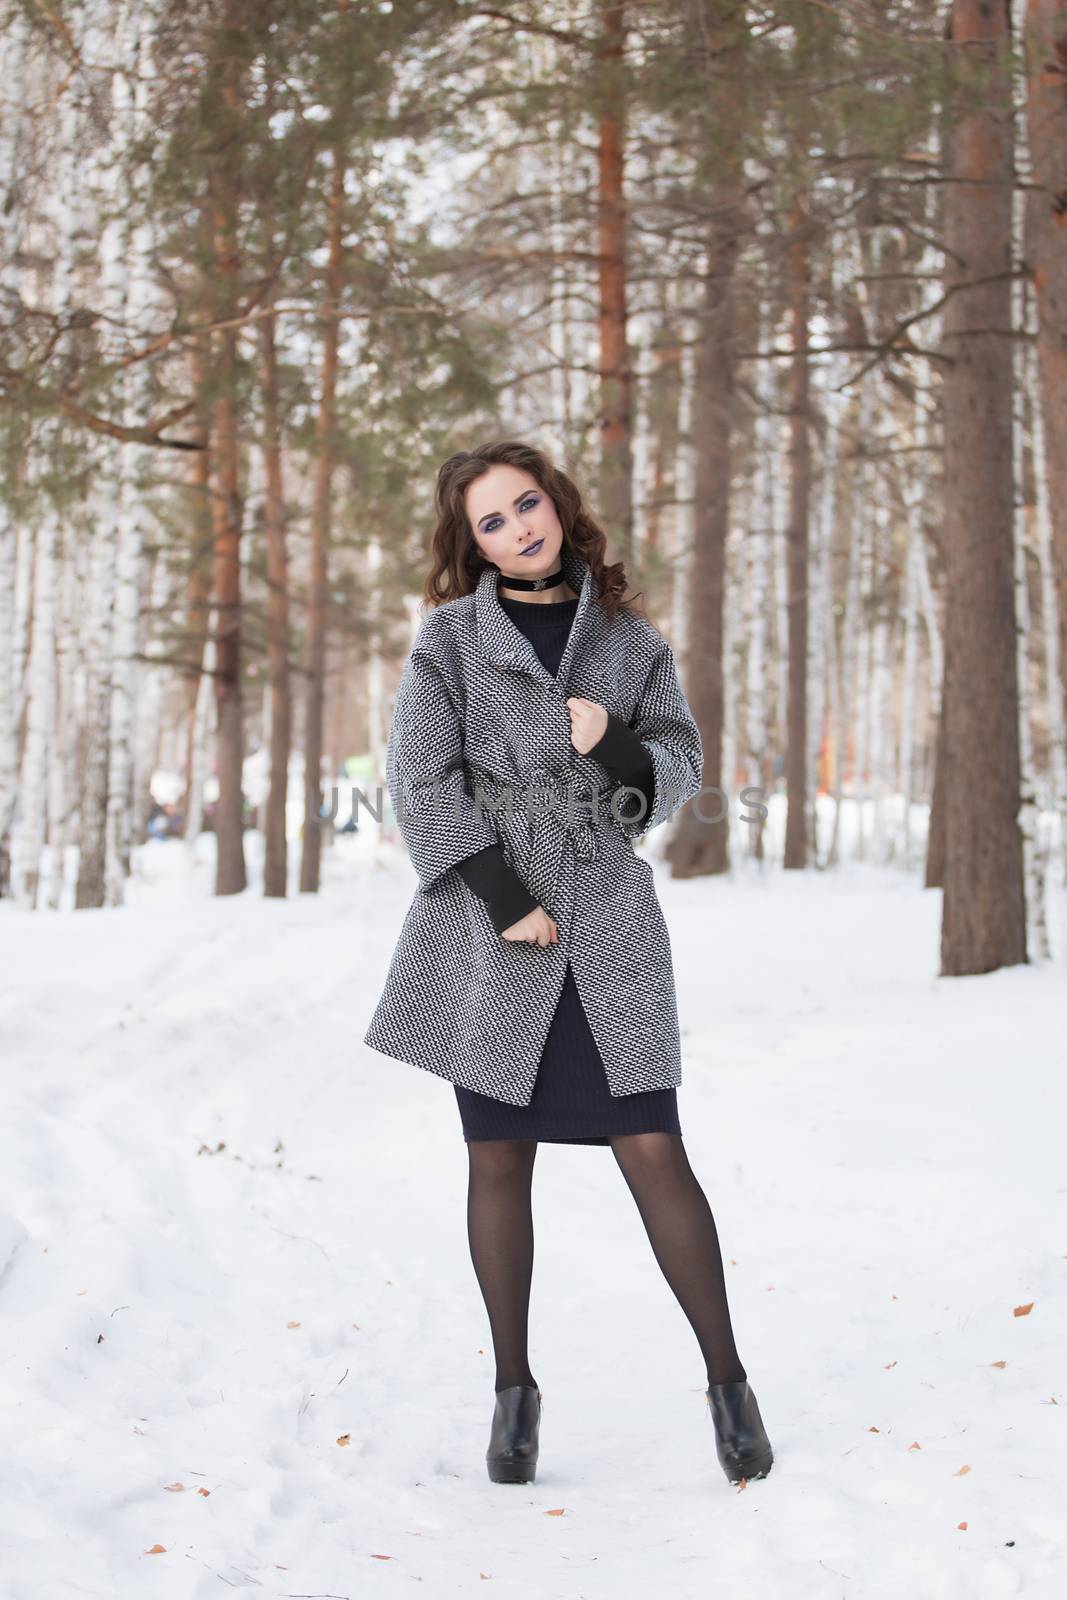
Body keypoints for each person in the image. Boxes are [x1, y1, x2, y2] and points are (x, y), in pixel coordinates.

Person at [363, 439, 772, 1487]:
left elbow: (676, 766)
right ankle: (513, 1391)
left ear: (557, 505)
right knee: (497, 1156)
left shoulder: (628, 640)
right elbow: (418, 778)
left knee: (652, 1144)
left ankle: (727, 1382)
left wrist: (616, 747)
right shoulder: (449, 639)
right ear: (471, 542)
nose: (516, 528)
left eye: (526, 504)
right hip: (490, 920)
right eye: (490, 521)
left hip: (607, 910)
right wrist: (502, 899)